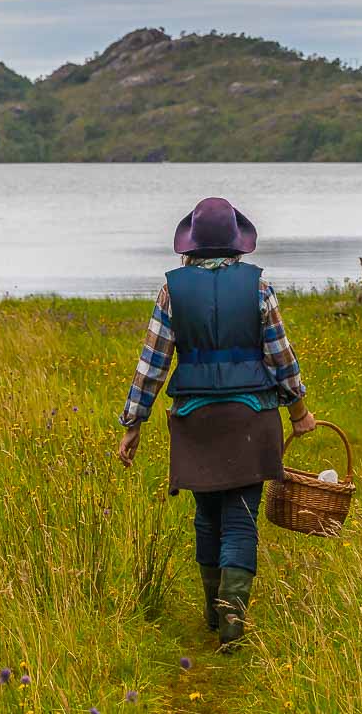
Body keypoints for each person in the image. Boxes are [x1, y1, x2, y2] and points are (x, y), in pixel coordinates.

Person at [116, 196, 316, 650]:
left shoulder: (171, 289)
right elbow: (280, 357)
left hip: (195, 418)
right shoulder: (259, 288)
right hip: (252, 416)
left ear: (192, 245)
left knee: (206, 517)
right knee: (241, 518)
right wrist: (299, 411)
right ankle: (232, 624)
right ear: (236, 244)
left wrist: (134, 422)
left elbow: (152, 365)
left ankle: (214, 613)